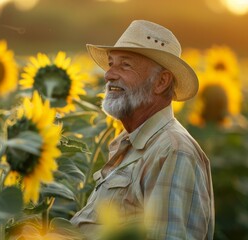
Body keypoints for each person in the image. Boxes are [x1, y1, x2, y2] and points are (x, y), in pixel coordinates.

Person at [70, 20, 215, 239]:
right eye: (110, 63)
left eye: (125, 65)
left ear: (161, 82)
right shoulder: (132, 144)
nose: (109, 75)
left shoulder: (173, 152)